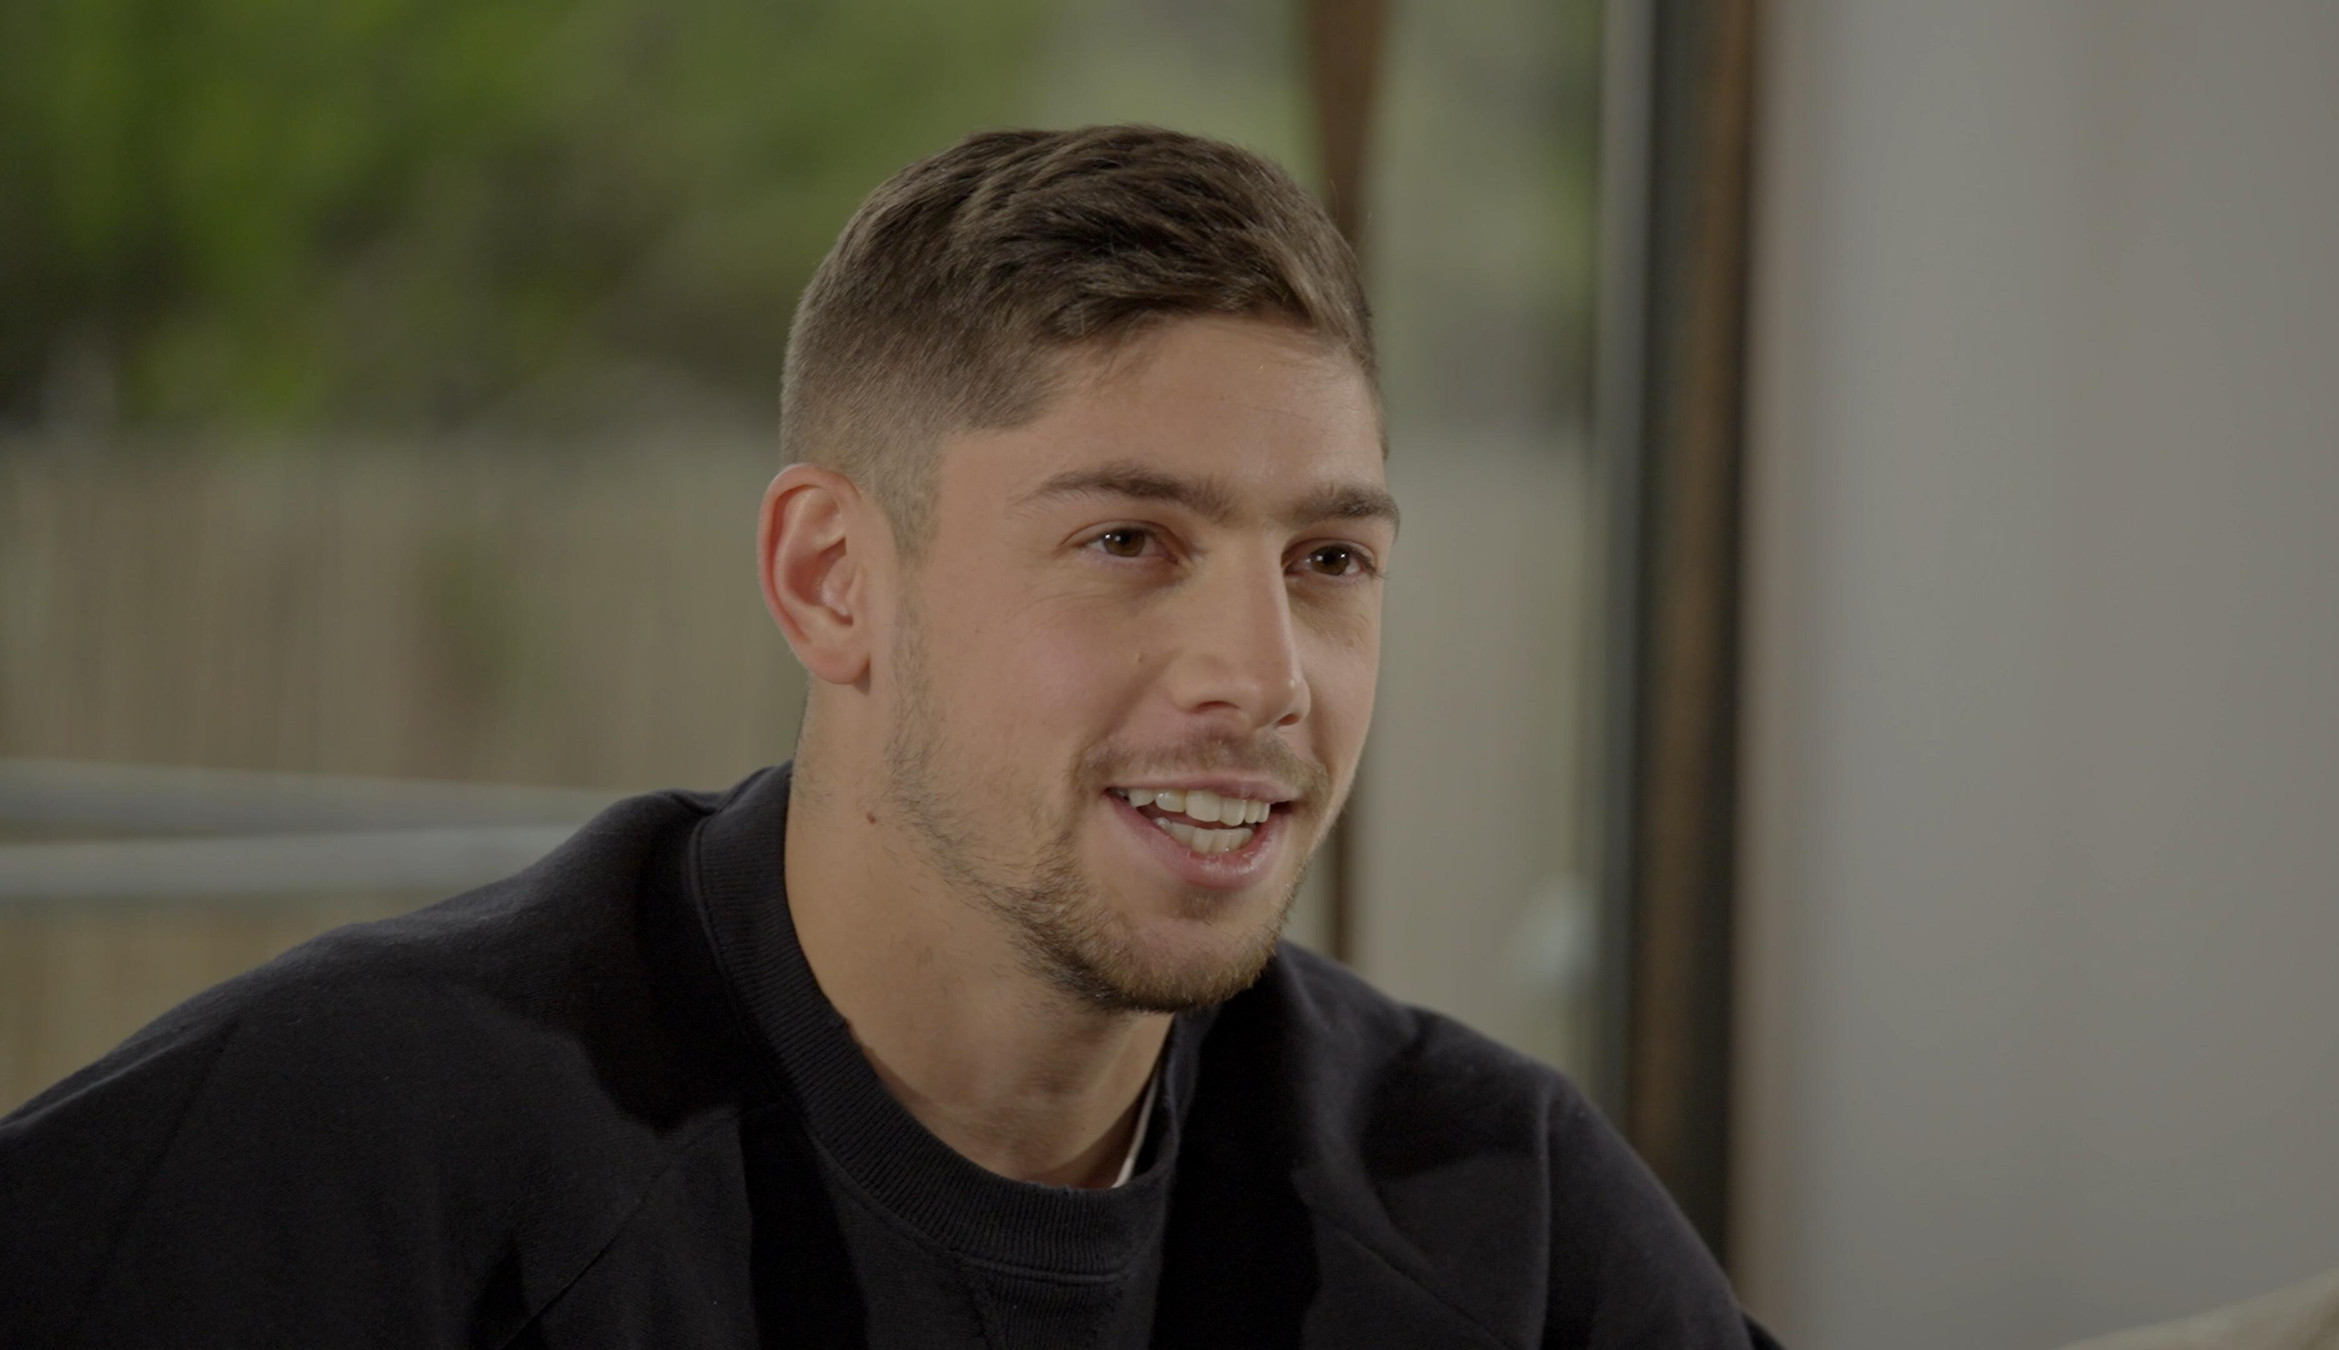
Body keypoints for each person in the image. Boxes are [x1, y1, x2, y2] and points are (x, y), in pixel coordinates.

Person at [0, 125, 1779, 1348]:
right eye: (1129, 541)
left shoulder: (1496, 1212)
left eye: (1329, 561)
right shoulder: (343, 1149)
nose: (1266, 677)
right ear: (833, 579)